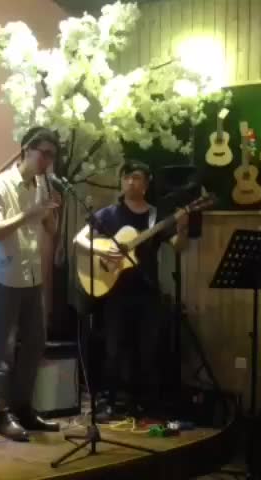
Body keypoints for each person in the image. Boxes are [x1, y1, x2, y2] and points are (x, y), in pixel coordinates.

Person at [74, 161, 189, 420]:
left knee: (147, 350)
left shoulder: (156, 217)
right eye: (126, 177)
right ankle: (109, 403)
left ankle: (143, 404)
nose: (130, 182)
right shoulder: (108, 215)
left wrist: (182, 227)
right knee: (114, 350)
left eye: (136, 177)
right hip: (115, 291)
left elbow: (179, 246)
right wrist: (104, 251)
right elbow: (79, 240)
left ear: (146, 184)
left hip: (147, 291)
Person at [0, 126, 61, 441]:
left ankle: (22, 406)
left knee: (35, 341)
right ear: (26, 149)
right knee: (5, 346)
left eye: (51, 156)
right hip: (6, 272)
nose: (47, 161)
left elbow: (51, 230)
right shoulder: (1, 185)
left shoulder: (40, 184)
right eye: (44, 153)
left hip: (31, 274)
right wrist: (29, 214)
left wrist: (49, 212)